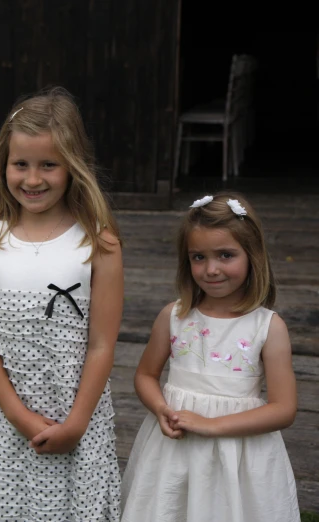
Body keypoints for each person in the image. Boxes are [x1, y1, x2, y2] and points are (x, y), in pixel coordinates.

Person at [0, 87, 124, 521]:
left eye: (48, 165)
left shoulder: (98, 242)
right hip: (6, 421)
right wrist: (18, 416)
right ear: (4, 164)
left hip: (78, 418)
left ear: (72, 167)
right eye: (21, 164)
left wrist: (74, 424)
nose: (32, 179)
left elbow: (101, 345)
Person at [121, 193, 300, 521]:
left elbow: (284, 409)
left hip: (239, 454)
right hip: (175, 448)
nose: (211, 269)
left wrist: (213, 425)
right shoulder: (174, 316)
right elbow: (146, 375)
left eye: (226, 255)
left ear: (253, 255)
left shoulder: (267, 327)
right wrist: (161, 408)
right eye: (198, 257)